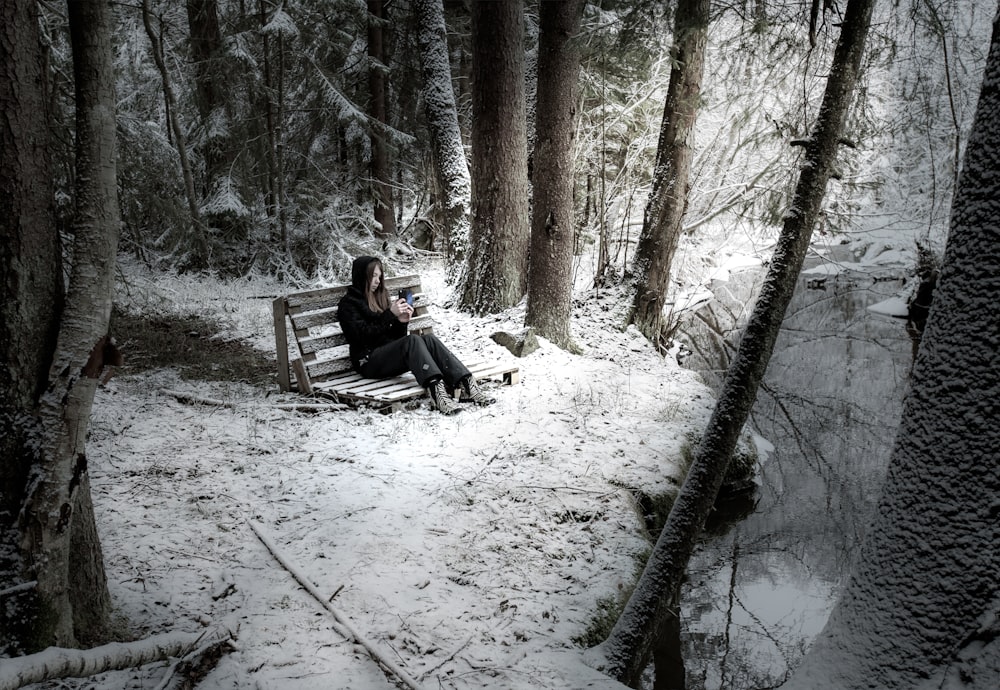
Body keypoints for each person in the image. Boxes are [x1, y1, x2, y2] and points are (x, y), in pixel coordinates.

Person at [337, 256, 496, 414]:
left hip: (385, 358)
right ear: (361, 275)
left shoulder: (380, 298)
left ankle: (466, 384)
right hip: (367, 362)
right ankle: (436, 393)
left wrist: (401, 321)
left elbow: (395, 340)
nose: (378, 281)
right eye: (373, 276)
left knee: (429, 339)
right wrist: (388, 315)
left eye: (379, 276)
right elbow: (360, 337)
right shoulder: (348, 304)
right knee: (413, 340)